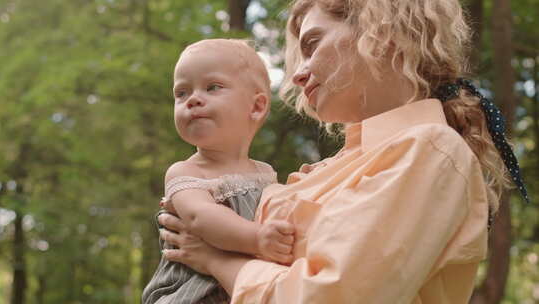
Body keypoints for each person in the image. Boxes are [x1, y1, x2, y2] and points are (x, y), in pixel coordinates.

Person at [157, 0, 530, 303]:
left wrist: (215, 259)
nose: (298, 75)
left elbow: (328, 297)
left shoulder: (429, 149)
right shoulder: (333, 167)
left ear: (382, 31)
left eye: (312, 45)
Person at [142, 39, 296, 304]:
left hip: (241, 289)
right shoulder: (185, 172)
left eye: (212, 87)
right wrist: (258, 238)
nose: (192, 100)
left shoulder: (266, 174)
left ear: (256, 107)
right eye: (181, 93)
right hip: (189, 296)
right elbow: (201, 217)